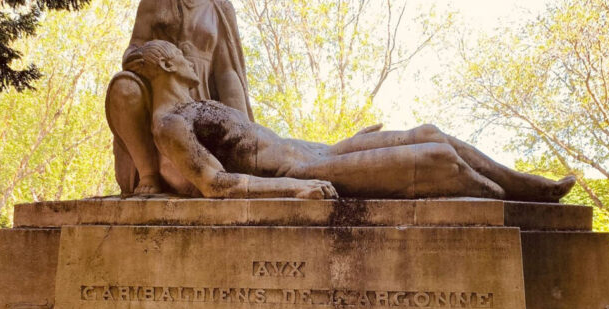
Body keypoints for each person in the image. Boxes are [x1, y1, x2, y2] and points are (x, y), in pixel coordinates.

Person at [125, 39, 577, 202]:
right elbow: (216, 185)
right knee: (438, 157)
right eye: (183, 57)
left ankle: (526, 187)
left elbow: (266, 138)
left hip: (322, 151)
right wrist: (297, 188)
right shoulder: (170, 123)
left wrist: (343, 141)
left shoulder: (199, 104)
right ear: (167, 66)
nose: (191, 62)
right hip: (303, 170)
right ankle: (512, 202)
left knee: (428, 133)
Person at [105, 0, 253, 196]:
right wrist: (153, 59)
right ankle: (148, 174)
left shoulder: (221, 7)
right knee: (122, 87)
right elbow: (132, 50)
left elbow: (227, 72)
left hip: (203, 102)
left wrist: (244, 131)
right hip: (159, 95)